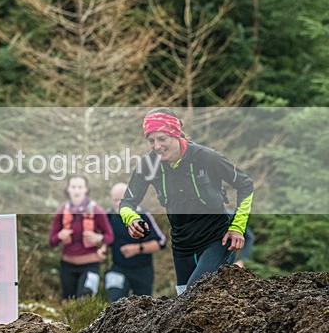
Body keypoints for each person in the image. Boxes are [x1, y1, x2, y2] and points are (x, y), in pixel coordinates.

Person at [119, 108, 254, 295]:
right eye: (151, 140)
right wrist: (132, 219)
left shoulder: (206, 157)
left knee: (195, 294)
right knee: (184, 301)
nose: (157, 146)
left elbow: (245, 185)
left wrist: (237, 227)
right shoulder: (148, 165)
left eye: (162, 138)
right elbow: (126, 203)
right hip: (182, 246)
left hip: (217, 239)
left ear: (175, 134)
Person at [49, 175, 114, 299]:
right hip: (67, 265)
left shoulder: (97, 210)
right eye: (73, 187)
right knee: (69, 301)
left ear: (86, 189)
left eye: (80, 187)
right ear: (68, 189)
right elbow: (52, 241)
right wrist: (60, 236)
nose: (76, 191)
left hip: (90, 265)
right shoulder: (62, 211)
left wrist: (99, 238)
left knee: (85, 297)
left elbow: (109, 236)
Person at [105, 182, 166, 302]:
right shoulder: (109, 216)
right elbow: (105, 238)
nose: (118, 204)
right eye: (115, 200)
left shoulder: (143, 215)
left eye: (122, 200)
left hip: (142, 270)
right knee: (115, 302)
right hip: (118, 269)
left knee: (144, 305)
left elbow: (161, 242)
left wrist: (137, 249)